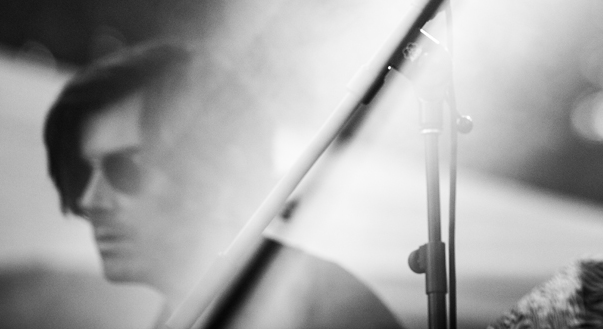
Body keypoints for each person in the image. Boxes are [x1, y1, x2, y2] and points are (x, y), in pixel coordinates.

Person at [43, 40, 403, 328]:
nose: (90, 200)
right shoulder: (185, 310)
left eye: (124, 169)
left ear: (214, 171)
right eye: (83, 171)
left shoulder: (324, 309)